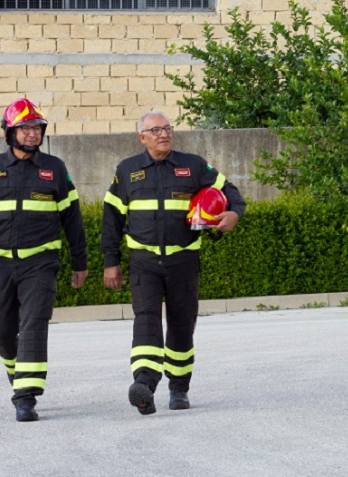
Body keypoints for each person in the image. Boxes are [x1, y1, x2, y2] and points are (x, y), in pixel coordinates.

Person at [101, 111, 245, 414]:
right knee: (146, 319)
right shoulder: (127, 171)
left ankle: (179, 388)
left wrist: (233, 213)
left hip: (183, 260)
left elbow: (230, 192)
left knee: (181, 324)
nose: (164, 134)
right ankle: (144, 384)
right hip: (143, 261)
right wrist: (110, 263)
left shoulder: (192, 165)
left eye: (168, 129)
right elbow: (111, 220)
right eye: (155, 130)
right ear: (142, 137)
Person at [0, 98, 88, 422]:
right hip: (1, 263)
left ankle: (26, 397)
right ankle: (20, 375)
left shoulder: (54, 169)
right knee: (2, 333)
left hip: (40, 263)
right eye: (25, 128)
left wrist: (80, 261)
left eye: (36, 128)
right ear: (9, 133)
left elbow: (73, 219)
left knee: (33, 325)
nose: (32, 134)